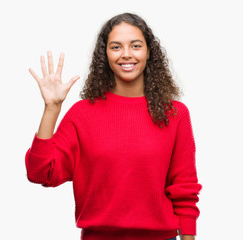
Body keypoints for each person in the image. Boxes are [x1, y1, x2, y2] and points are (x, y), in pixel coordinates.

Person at [25, 12, 202, 240]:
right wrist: (52, 109)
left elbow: (184, 188)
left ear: (149, 52)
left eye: (135, 46)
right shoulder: (82, 114)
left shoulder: (175, 114)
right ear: (105, 55)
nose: (126, 54)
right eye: (116, 47)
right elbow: (40, 173)